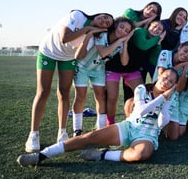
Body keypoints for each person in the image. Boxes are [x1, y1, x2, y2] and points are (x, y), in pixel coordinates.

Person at [17, 69, 178, 166]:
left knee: (141, 154)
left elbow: (161, 122)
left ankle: (102, 154)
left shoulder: (170, 99)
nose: (167, 82)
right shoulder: (142, 88)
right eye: (166, 77)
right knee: (90, 136)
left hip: (147, 135)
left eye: (171, 82)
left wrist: (166, 101)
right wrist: (163, 98)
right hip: (129, 127)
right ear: (160, 74)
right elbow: (140, 111)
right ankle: (41, 156)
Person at [24, 10, 114, 153]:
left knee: (64, 92)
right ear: (97, 14)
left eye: (108, 23)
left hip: (68, 58)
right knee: (43, 92)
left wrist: (89, 35)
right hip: (48, 52)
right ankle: (33, 134)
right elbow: (64, 38)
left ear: (106, 29)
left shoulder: (94, 38)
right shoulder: (77, 16)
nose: (104, 20)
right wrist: (88, 29)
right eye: (104, 17)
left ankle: (62, 132)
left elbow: (79, 55)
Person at [72, 17, 134, 136]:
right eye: (122, 27)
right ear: (115, 25)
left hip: (98, 69)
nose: (123, 31)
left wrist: (125, 44)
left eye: (127, 31)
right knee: (80, 96)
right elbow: (103, 52)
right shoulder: (103, 35)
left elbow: (124, 62)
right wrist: (119, 41)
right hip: (83, 66)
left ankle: (101, 128)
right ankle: (77, 129)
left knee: (101, 97)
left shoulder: (121, 43)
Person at [105, 20, 165, 125]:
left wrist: (159, 43)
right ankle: (110, 122)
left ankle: (136, 119)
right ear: (148, 27)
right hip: (114, 68)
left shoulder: (154, 41)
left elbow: (153, 60)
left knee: (143, 94)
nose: (156, 29)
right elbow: (143, 45)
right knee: (112, 97)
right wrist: (158, 38)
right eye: (154, 26)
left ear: (162, 33)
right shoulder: (140, 32)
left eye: (160, 29)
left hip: (132, 71)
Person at [153, 41, 188, 140]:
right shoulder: (166, 53)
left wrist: (185, 68)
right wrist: (183, 64)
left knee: (174, 136)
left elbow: (179, 88)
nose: (186, 55)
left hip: (172, 97)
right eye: (185, 51)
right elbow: (162, 76)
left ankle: (163, 125)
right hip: (157, 93)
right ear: (180, 47)